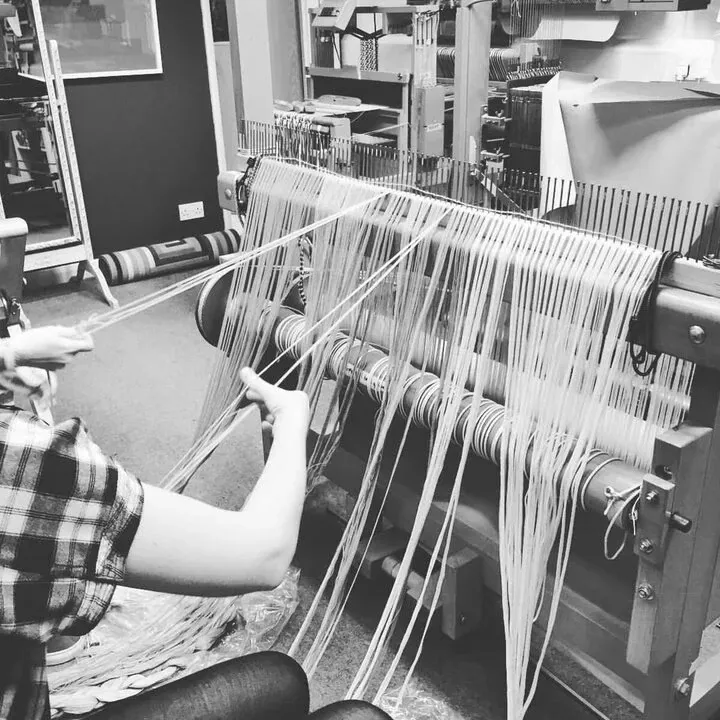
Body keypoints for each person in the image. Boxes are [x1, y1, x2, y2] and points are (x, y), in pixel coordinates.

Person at [0, 325, 392, 720]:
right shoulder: (27, 465)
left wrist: (8, 353)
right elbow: (263, 555)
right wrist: (293, 420)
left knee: (282, 679)